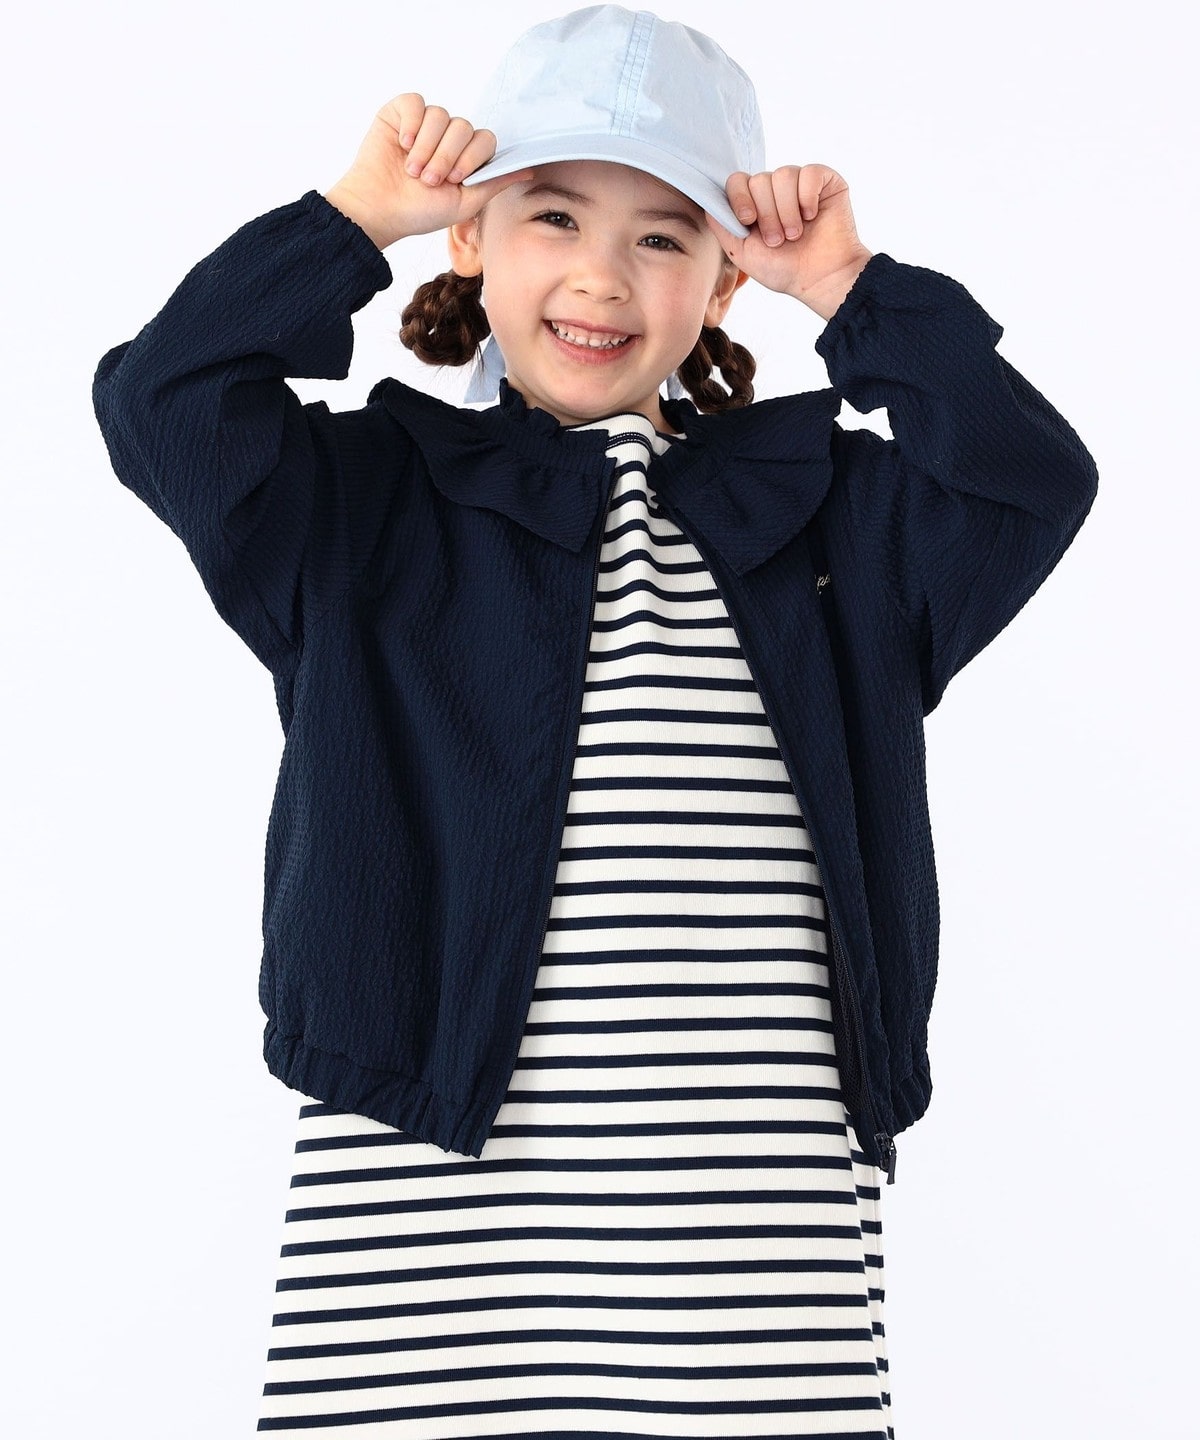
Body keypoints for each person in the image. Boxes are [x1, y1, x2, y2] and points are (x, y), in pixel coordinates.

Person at [92, 6, 1098, 1436]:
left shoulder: (828, 519)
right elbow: (164, 402)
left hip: (748, 1211)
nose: (602, 275)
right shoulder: (364, 506)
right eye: (554, 215)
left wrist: (851, 287)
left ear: (725, 280)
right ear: (471, 236)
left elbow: (1028, 481)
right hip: (427, 1174)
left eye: (664, 236)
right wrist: (352, 219)